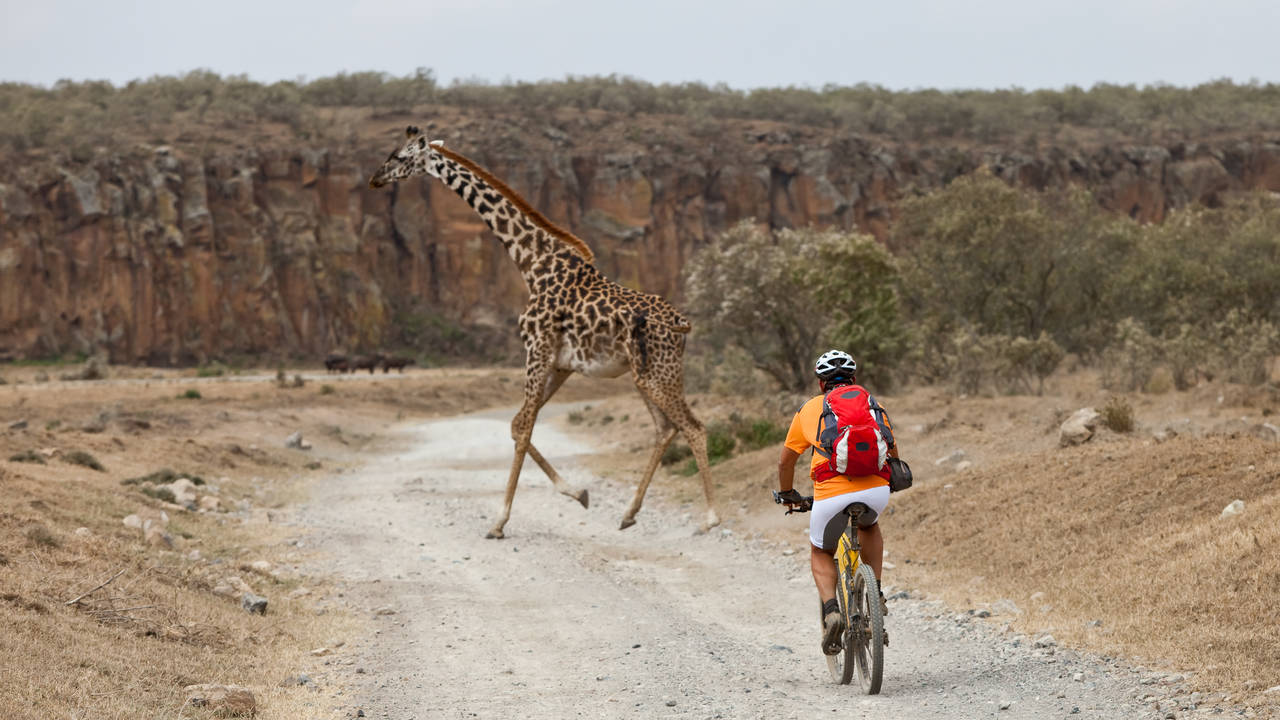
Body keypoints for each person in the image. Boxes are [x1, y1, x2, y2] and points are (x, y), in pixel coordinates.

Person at [777, 349, 897, 655]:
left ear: (821, 384)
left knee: (821, 550)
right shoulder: (872, 403)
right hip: (875, 490)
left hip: (831, 494)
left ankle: (832, 611)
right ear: (854, 380)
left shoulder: (809, 410)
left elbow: (786, 462)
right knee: (870, 526)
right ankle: (877, 593)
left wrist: (789, 493)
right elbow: (892, 450)